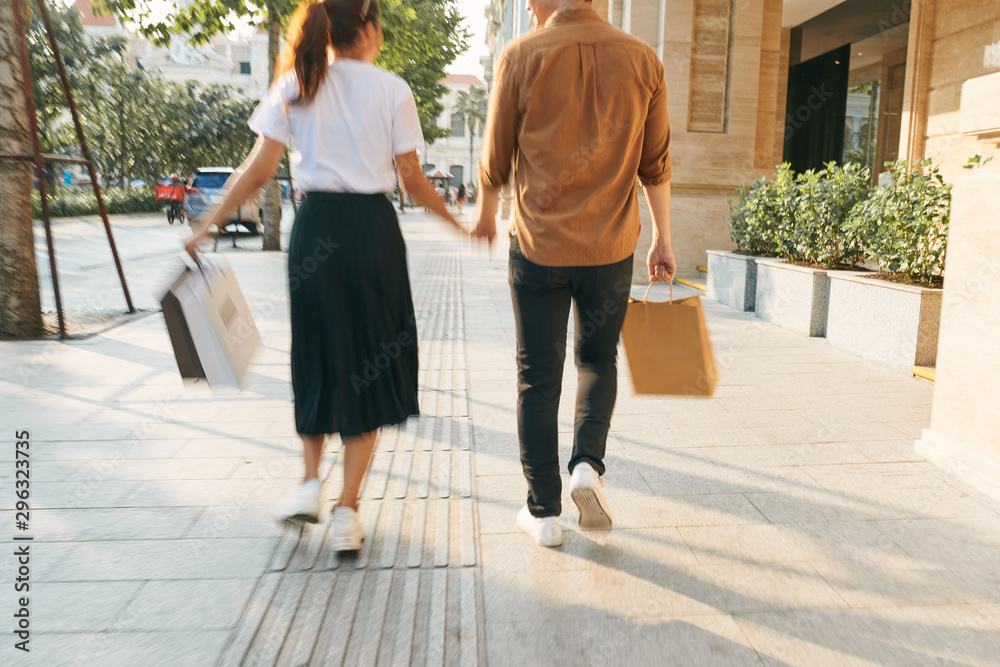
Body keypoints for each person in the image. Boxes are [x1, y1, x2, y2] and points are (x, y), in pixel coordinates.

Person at [185, 0, 465, 550]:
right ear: (368, 29)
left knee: (316, 353)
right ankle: (347, 512)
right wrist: (457, 219)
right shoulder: (392, 89)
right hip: (371, 233)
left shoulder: (296, 83)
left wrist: (207, 224)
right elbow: (411, 178)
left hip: (314, 229)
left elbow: (259, 169)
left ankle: (309, 484)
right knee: (369, 358)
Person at [472, 0, 675, 547]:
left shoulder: (519, 55)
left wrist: (488, 213)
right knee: (597, 358)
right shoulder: (643, 59)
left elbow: (495, 156)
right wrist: (662, 238)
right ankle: (587, 464)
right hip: (610, 247)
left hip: (538, 245)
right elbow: (654, 164)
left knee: (538, 376)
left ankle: (543, 515)